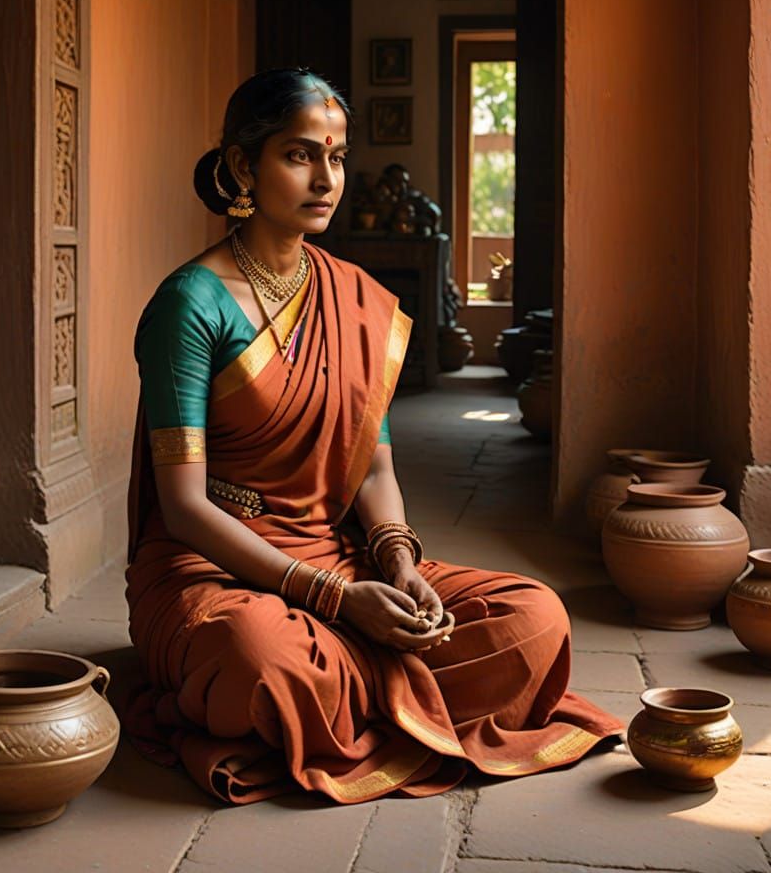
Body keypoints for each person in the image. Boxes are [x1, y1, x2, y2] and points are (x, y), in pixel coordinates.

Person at [124, 68, 621, 804]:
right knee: (260, 660)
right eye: (299, 155)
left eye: (336, 156)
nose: (326, 179)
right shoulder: (189, 304)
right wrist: (334, 599)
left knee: (536, 618)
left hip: (337, 553)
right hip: (213, 568)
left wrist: (397, 561)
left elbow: (375, 468)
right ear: (241, 167)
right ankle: (381, 684)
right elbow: (184, 506)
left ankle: (346, 693)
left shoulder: (352, 298)